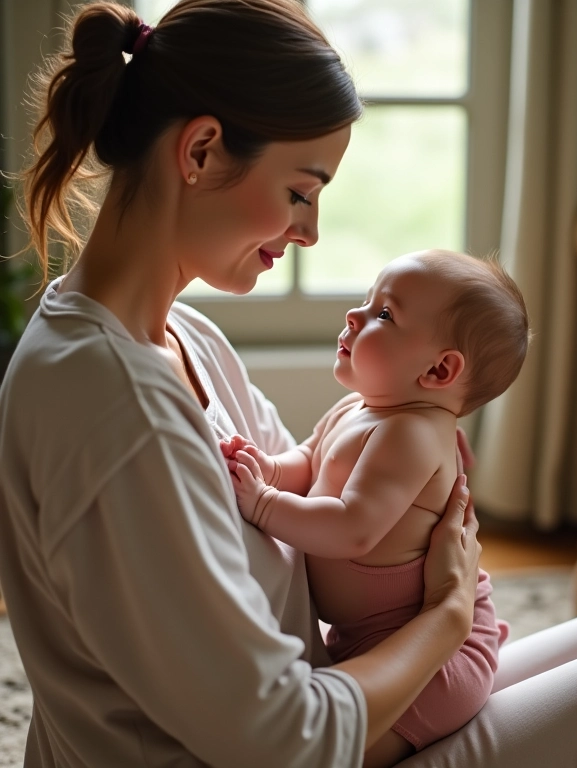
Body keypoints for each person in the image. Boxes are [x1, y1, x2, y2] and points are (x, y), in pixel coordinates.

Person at [0, 0, 577, 766]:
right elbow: (277, 737)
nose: (308, 231)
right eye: (301, 192)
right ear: (201, 151)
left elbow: (314, 493)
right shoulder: (116, 407)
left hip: (310, 695)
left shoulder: (182, 336)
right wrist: (443, 617)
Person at [222, 249, 526, 766]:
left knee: (346, 755)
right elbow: (309, 460)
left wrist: (266, 504)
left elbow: (352, 528)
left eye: (384, 314)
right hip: (378, 644)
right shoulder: (359, 406)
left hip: (437, 665)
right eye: (368, 300)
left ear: (439, 369)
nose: (355, 315)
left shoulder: (412, 436)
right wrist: (270, 469)